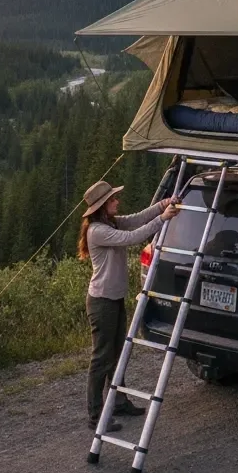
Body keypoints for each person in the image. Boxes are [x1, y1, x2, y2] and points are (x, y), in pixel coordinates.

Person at [78, 179, 181, 430]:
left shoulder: (109, 222)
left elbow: (136, 219)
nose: (117, 201)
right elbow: (134, 236)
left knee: (116, 353)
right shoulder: (98, 231)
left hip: (112, 299)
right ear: (103, 205)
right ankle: (95, 414)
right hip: (102, 302)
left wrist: (161, 206)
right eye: (113, 199)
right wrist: (163, 218)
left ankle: (119, 401)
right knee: (101, 357)